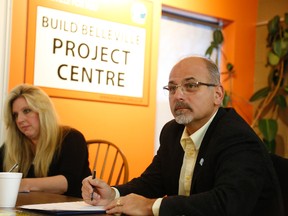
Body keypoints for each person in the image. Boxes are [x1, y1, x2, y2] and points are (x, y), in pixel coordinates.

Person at [81, 55, 284, 215]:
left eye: (191, 85)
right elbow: (153, 182)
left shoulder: (236, 137)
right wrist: (113, 193)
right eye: (172, 88)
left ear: (218, 95)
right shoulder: (172, 131)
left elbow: (226, 204)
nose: (178, 95)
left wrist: (151, 207)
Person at [0, 84, 91, 198]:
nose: (20, 120)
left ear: (44, 111)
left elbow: (67, 181)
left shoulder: (71, 138)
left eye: (27, 111)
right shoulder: (11, 147)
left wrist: (23, 184)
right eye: (15, 115)